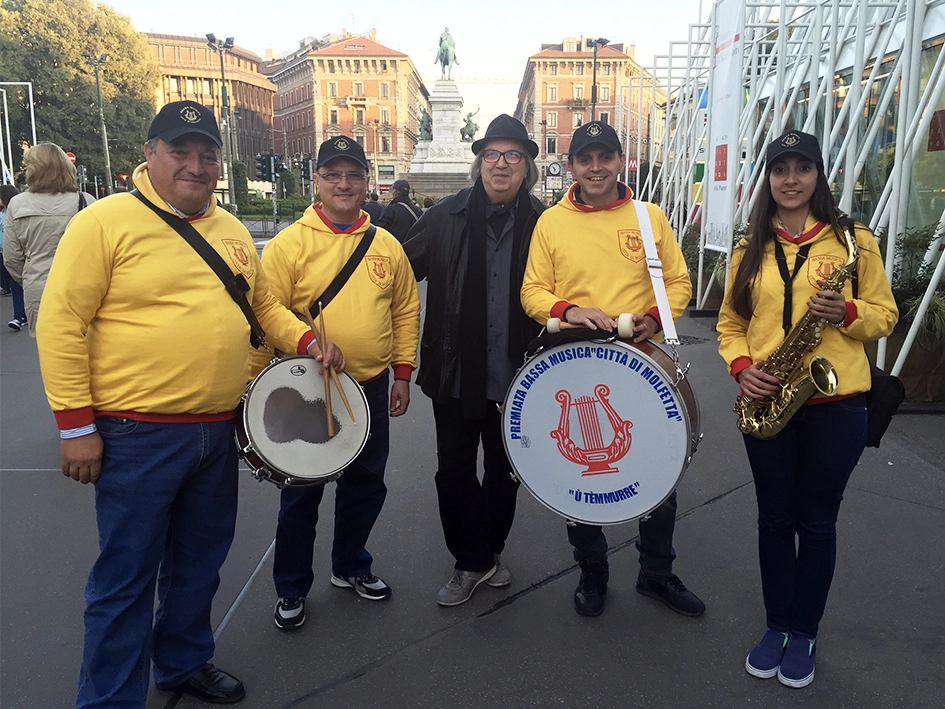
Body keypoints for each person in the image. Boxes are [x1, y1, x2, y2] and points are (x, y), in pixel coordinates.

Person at [35, 100, 344, 708]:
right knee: (125, 579)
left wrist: (307, 340)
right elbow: (61, 323)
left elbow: (260, 307)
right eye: (180, 151)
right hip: (134, 434)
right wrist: (75, 427)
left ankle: (182, 662)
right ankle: (109, 700)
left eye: (207, 155)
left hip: (216, 430)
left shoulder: (230, 230)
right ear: (148, 156)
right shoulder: (104, 223)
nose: (195, 166)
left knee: (199, 564)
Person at [716, 130, 897, 688]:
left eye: (802, 168)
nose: (790, 179)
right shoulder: (750, 249)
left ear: (819, 175)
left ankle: (805, 629)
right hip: (770, 397)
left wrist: (846, 311)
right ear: (768, 180)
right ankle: (776, 625)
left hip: (837, 404)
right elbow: (730, 324)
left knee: (817, 523)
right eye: (780, 169)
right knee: (774, 519)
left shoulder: (853, 241)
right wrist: (744, 369)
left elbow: (885, 315)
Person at [521, 120, 705, 619]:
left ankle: (656, 572)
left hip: (640, 361)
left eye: (605, 157)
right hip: (575, 363)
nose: (595, 167)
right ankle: (592, 570)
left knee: (657, 466)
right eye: (585, 159)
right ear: (572, 166)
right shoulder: (551, 222)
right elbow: (532, 292)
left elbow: (677, 281)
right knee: (577, 468)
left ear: (620, 162)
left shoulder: (648, 217)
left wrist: (652, 316)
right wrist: (569, 310)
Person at [257, 135, 420, 631]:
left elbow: (406, 309)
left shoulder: (387, 244)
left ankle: (351, 566)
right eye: (333, 175)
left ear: (368, 182)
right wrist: (307, 340)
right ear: (317, 182)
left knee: (366, 485)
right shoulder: (290, 244)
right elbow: (266, 312)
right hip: (308, 389)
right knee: (302, 493)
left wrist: (403, 373)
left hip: (368, 388)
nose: (344, 184)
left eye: (353, 175)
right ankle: (291, 586)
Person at [403, 114, 545, 606]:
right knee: (454, 472)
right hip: (456, 371)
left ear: (526, 165)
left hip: (520, 376)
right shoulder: (445, 216)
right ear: (478, 163)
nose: (500, 164)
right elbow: (397, 273)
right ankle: (472, 561)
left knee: (506, 473)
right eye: (491, 154)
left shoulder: (545, 223)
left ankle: (489, 551)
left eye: (511, 155)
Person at [2, 143, 96, 334]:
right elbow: (101, 251)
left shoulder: (17, 204)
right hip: (82, 287)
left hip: (39, 289)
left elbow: (11, 257)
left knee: (50, 352)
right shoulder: (85, 201)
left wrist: (30, 277)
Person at [0, 185, 27, 330]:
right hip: (4, 252)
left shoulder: (16, 211)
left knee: (17, 284)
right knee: (14, 284)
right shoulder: (3, 213)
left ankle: (19, 316)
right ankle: (22, 314)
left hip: (16, 252)